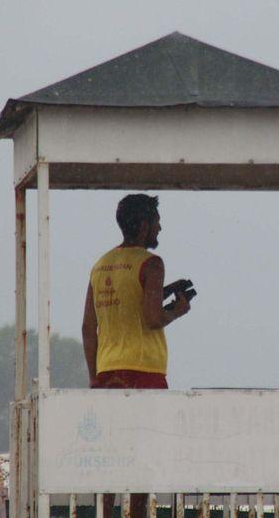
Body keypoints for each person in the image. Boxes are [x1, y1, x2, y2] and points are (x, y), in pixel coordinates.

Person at [82, 193, 190, 518]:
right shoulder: (151, 263)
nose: (160, 228)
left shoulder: (100, 265)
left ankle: (105, 512)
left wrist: (94, 377)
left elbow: (88, 328)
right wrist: (178, 311)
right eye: (156, 222)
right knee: (143, 456)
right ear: (143, 225)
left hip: (107, 372)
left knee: (110, 454)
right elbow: (152, 318)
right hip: (144, 372)